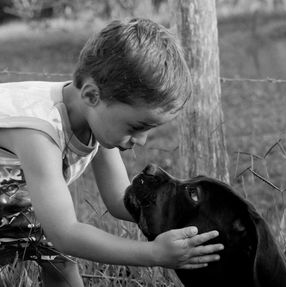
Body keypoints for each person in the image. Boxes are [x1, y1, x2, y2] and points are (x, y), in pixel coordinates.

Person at [0, 18, 224, 287]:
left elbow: (121, 200)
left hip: (15, 200)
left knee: (60, 262)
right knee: (61, 242)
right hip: (12, 200)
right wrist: (153, 254)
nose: (141, 141)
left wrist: (183, 219)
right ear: (92, 96)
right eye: (136, 127)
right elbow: (65, 232)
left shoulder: (95, 113)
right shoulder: (38, 133)